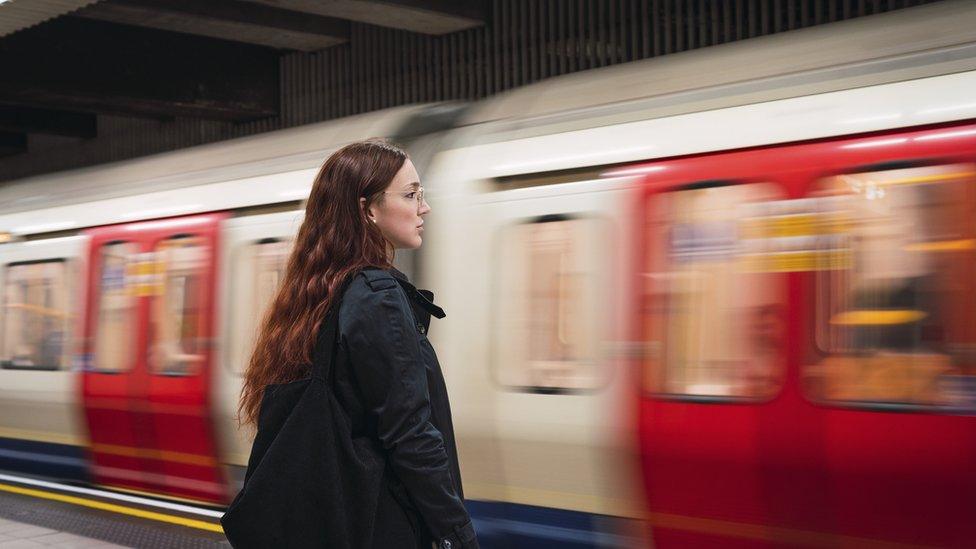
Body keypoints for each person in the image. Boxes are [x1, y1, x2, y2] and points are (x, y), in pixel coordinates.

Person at [238, 139, 479, 549]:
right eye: (411, 194)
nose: (425, 208)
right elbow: (410, 433)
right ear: (367, 209)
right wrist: (458, 535)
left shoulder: (321, 292)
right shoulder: (377, 295)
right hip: (380, 525)